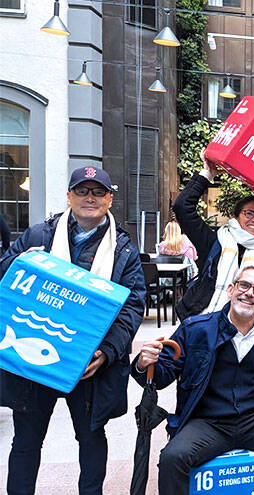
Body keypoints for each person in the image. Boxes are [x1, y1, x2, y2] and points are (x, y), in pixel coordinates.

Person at [0, 166, 146, 495]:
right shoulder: (38, 236)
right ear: (69, 196)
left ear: (110, 199)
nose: (89, 198)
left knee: (91, 438)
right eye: (82, 191)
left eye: (98, 192)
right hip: (34, 361)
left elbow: (133, 306)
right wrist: (19, 262)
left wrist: (107, 352)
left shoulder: (123, 249)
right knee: (26, 439)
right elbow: (3, 278)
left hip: (88, 365)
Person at [134, 264, 254, 495]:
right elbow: (161, 375)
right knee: (173, 458)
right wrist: (144, 363)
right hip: (207, 421)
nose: (249, 293)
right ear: (231, 289)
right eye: (244, 285)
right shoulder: (196, 329)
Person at [172, 149, 254, 319]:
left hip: (249, 326)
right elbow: (182, 207)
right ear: (235, 216)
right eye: (249, 213)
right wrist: (207, 174)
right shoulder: (215, 242)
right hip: (205, 320)